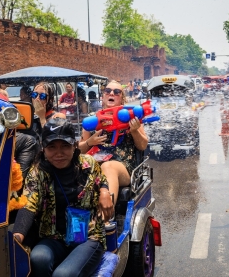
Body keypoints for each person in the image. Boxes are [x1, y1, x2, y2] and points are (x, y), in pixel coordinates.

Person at [12, 118, 113, 277]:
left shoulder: (88, 164)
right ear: (43, 148)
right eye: (52, 147)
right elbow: (28, 204)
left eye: (65, 146)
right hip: (53, 237)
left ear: (74, 145)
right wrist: (17, 237)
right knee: (38, 259)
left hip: (87, 237)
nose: (59, 153)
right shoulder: (38, 172)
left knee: (63, 274)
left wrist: (105, 192)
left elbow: (102, 180)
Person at [79, 80, 148, 204]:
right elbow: (79, 149)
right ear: (103, 96)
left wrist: (134, 131)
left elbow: (143, 146)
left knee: (108, 166)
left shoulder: (131, 117)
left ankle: (106, 218)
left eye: (116, 92)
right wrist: (90, 142)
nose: (111, 94)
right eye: (107, 91)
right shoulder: (92, 119)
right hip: (93, 163)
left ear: (122, 98)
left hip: (121, 166)